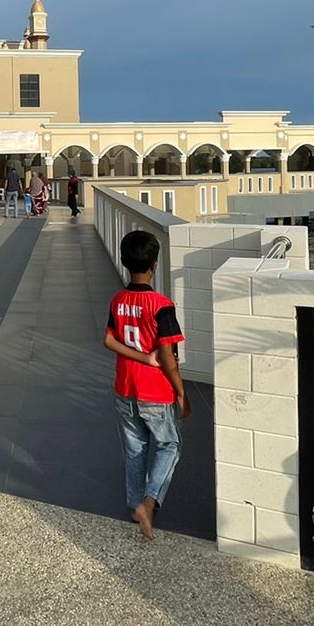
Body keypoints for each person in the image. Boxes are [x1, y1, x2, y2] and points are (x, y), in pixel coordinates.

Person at [103, 230, 188, 541]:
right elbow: (167, 356)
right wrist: (180, 391)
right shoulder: (161, 305)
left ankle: (134, 503)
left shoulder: (118, 299)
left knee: (135, 449)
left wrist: (140, 357)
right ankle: (150, 501)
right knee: (170, 445)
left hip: (125, 389)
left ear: (125, 263)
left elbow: (109, 340)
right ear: (154, 264)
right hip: (156, 392)